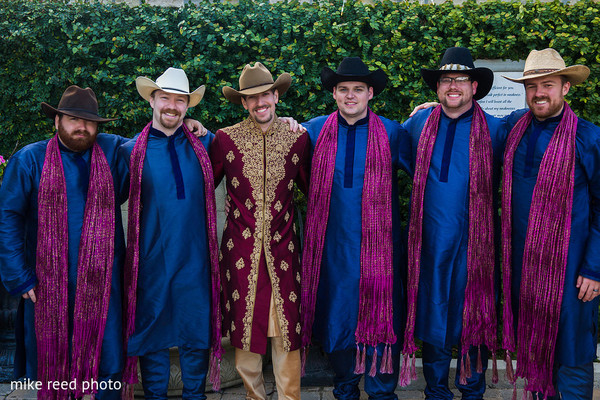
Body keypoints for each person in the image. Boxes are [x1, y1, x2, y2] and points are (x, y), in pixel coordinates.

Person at [0, 85, 128, 399]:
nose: (81, 127)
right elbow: (8, 217)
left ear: (98, 126)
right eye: (73, 119)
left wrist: (196, 130)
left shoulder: (113, 151)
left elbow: (155, 142)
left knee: (108, 360)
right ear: (56, 121)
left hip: (104, 283)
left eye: (89, 121)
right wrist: (17, 275)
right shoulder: (30, 159)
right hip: (47, 284)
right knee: (52, 364)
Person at [398, 47, 508, 399]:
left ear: (475, 86)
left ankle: (472, 391)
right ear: (437, 88)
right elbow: (382, 146)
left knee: (473, 319)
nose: (453, 86)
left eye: (461, 79)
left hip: (475, 248)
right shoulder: (417, 125)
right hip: (429, 244)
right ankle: (435, 391)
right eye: (446, 80)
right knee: (433, 317)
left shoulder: (496, 131)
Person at [300, 57, 407, 400]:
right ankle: (345, 388)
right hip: (332, 250)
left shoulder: (393, 132)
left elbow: (427, 170)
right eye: (343, 89)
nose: (350, 96)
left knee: (381, 317)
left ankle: (381, 393)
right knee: (337, 318)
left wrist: (429, 112)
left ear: (370, 93)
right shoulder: (312, 131)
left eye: (358, 89)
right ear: (333, 93)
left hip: (379, 251)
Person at [500, 48, 600, 399]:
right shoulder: (514, 128)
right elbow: (469, 125)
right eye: (532, 86)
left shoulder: (589, 138)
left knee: (571, 352)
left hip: (573, 270)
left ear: (565, 88)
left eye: (548, 84)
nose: (539, 92)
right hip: (526, 271)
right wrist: (430, 112)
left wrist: (594, 268)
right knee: (536, 350)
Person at [119, 67, 222, 400]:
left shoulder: (206, 142)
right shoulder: (130, 151)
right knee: (152, 337)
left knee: (196, 335)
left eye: (180, 101)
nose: (172, 107)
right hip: (151, 262)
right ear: (152, 99)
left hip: (196, 261)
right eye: (165, 98)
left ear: (188, 106)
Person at [209, 62, 309, 400]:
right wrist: (193, 125)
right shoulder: (225, 139)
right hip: (240, 252)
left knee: (286, 331)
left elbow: (315, 189)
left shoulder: (299, 137)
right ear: (243, 103)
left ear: (276, 95)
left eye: (265, 94)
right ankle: (254, 397)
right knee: (244, 330)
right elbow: (204, 181)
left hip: (284, 249)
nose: (259, 103)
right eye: (251, 98)